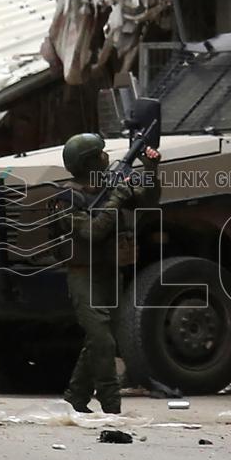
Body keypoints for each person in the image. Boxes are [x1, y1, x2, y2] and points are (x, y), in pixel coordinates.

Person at [57, 132, 161, 414]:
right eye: (100, 153)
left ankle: (76, 398)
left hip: (111, 272)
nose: (106, 156)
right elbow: (92, 232)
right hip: (84, 275)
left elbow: (148, 200)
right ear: (89, 161)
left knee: (99, 340)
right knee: (102, 339)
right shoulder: (68, 197)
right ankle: (111, 403)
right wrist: (116, 198)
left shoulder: (111, 184)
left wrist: (151, 168)